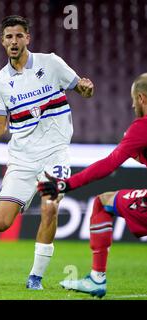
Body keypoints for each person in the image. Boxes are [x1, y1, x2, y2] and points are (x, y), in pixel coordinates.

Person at [0, 15, 94, 290]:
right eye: (9, 37)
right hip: (22, 158)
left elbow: (81, 89)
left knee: (51, 207)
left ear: (28, 38)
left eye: (18, 35)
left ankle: (35, 277)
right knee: (1, 224)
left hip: (56, 154)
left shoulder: (51, 63)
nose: (14, 41)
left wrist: (86, 88)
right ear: (2, 42)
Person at [37, 73, 147, 298]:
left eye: (134, 99)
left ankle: (97, 279)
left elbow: (108, 165)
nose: (132, 104)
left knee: (102, 203)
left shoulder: (141, 127)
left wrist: (65, 185)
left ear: (142, 98)